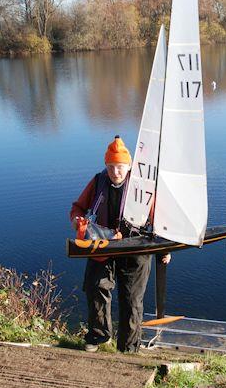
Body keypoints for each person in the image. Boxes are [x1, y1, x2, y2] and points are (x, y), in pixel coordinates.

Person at [70, 135, 170, 353]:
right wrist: (78, 222)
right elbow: (78, 208)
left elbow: (162, 223)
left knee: (132, 300)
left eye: (120, 167)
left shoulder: (143, 186)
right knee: (96, 287)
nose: (115, 172)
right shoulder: (98, 181)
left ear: (130, 165)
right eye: (111, 167)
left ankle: (129, 348)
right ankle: (98, 337)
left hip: (135, 248)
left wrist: (166, 249)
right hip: (103, 245)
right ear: (106, 166)